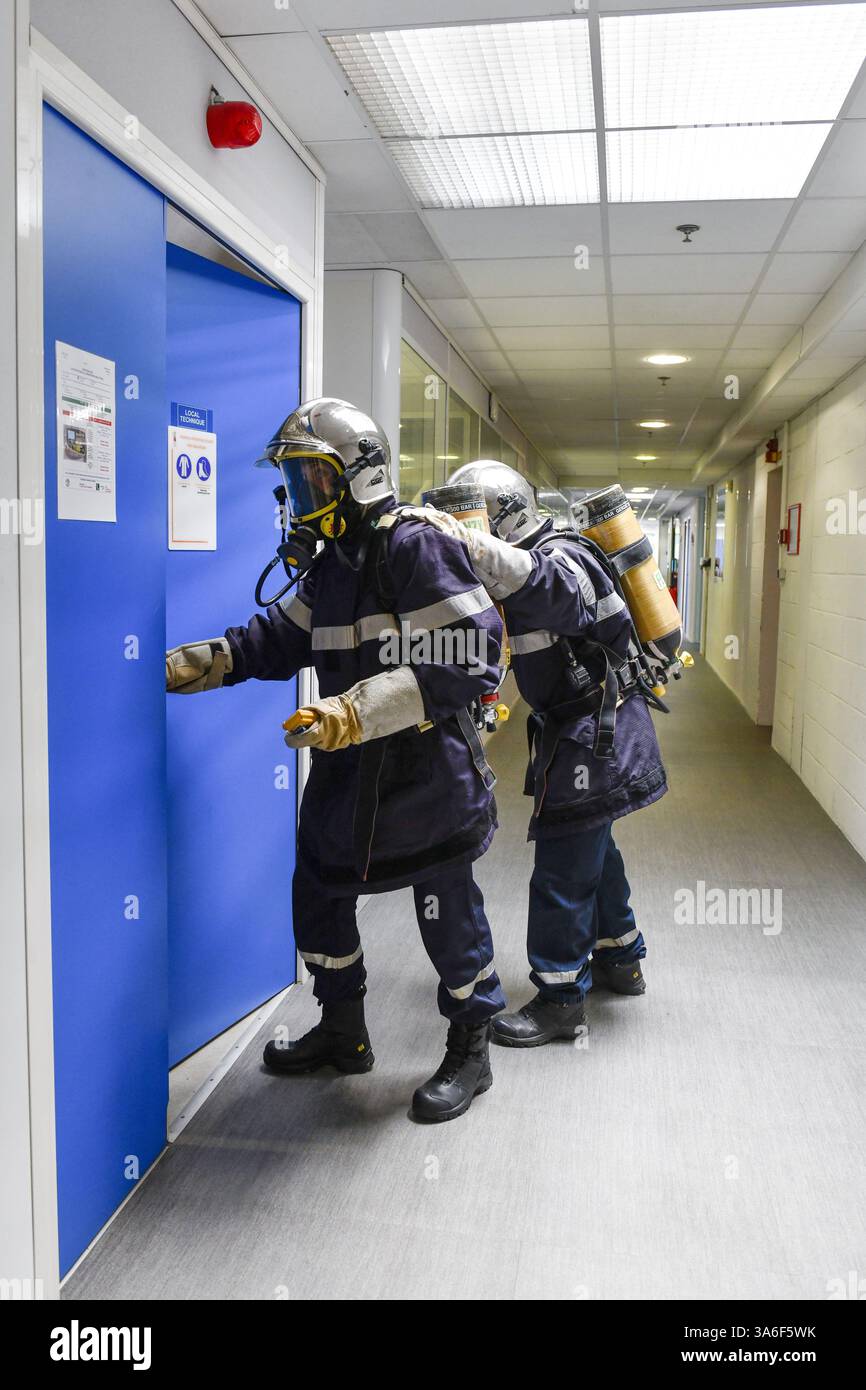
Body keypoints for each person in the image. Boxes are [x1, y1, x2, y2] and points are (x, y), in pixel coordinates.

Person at [166, 401, 506, 1121]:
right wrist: (201, 663)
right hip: (347, 772)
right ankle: (343, 1033)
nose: (301, 500)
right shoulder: (333, 566)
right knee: (318, 892)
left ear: (361, 478)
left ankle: (471, 1048)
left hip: (427, 772)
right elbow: (274, 640)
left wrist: (355, 709)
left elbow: (474, 655)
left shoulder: (412, 546)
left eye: (313, 481)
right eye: (292, 483)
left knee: (446, 914)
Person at [423, 460, 668, 1048]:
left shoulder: (561, 557)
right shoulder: (524, 567)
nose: (469, 533)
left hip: (595, 737)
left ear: (501, 519)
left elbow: (555, 592)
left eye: (475, 521)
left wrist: (475, 549)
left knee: (561, 868)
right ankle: (622, 958)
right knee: (596, 851)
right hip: (586, 733)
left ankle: (561, 1000)